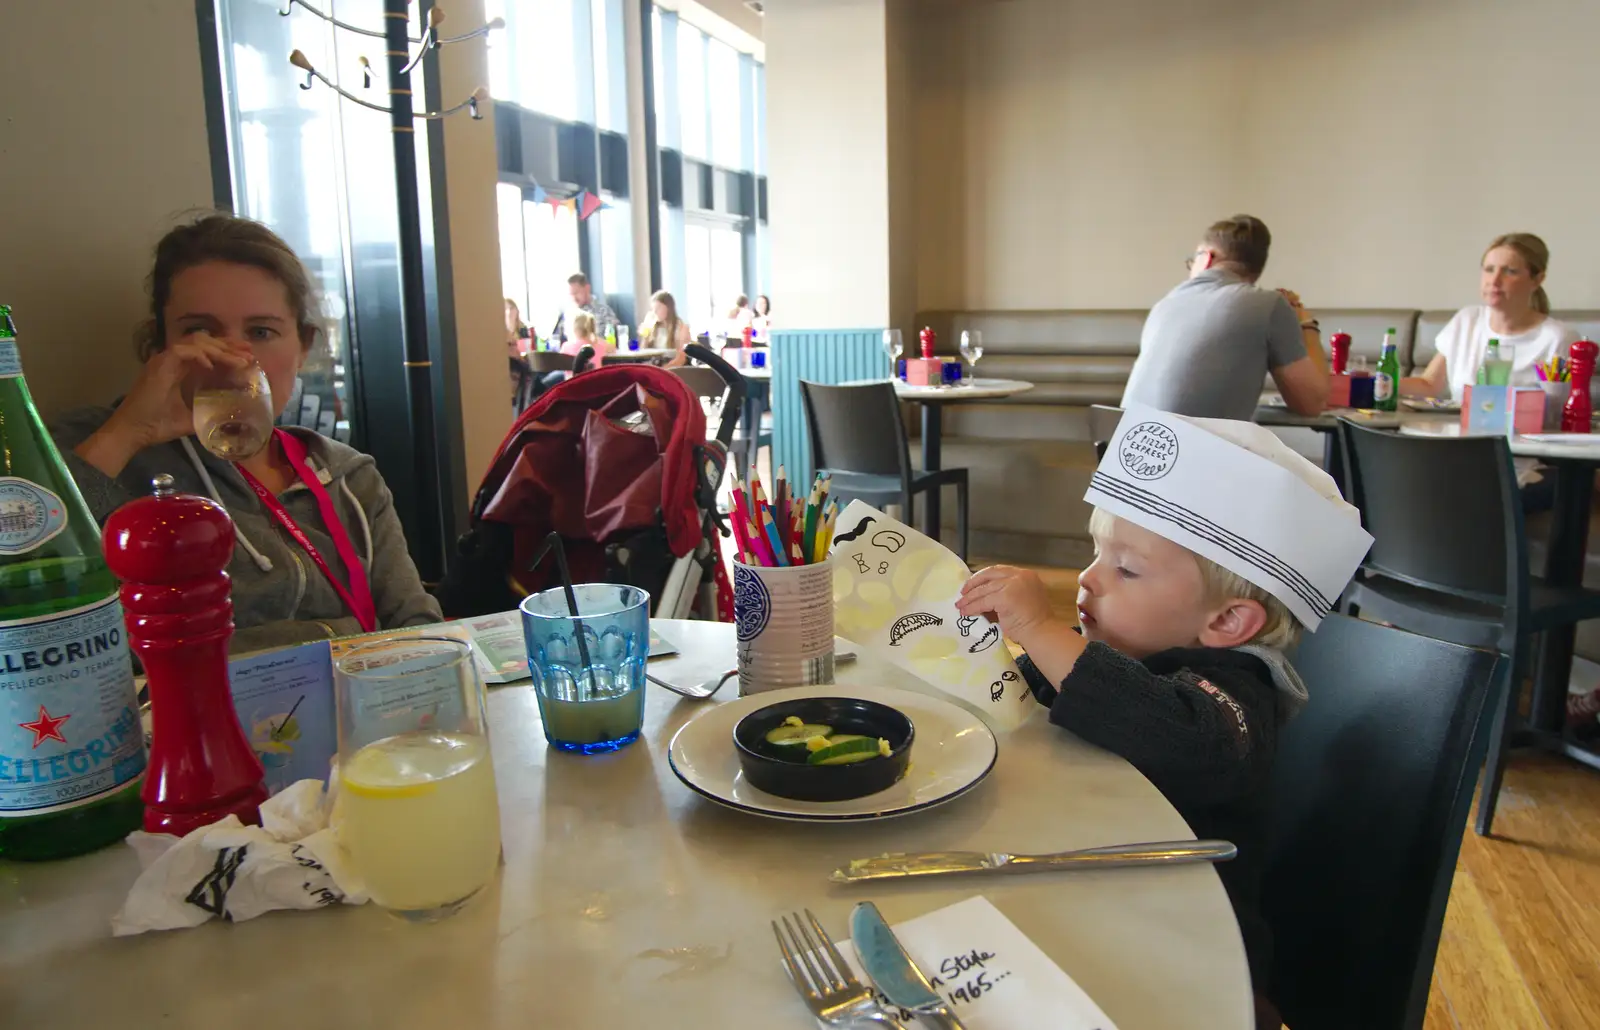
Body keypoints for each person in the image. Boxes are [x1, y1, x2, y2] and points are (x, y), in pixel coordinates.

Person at [957, 405, 1372, 1029]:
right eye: (1096, 553)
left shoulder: (1239, 696)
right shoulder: (1129, 651)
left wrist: (1042, 631)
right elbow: (1050, 707)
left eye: (1127, 569)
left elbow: (1180, 732)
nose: (1089, 581)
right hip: (1093, 905)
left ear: (1227, 623)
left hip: (1194, 964)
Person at [52, 213, 442, 654]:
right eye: (200, 331)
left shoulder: (348, 474)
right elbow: (28, 579)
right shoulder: (88, 449)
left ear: (304, 347)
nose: (233, 358)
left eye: (261, 332)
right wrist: (128, 432)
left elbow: (417, 630)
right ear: (160, 346)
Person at [1122, 215, 1328, 420]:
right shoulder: (1267, 304)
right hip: (1192, 450)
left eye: (1192, 260)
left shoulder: (1163, 306)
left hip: (1121, 446)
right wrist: (1306, 323)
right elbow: (1312, 404)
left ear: (1207, 257)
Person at [1403, 233, 1579, 400]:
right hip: (1457, 430)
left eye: (1510, 271)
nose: (1494, 280)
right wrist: (1378, 382)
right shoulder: (1466, 320)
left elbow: (1559, 411)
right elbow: (1428, 384)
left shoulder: (1558, 338)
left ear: (1537, 279)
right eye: (1489, 269)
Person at [552, 271, 618, 343]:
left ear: (587, 288)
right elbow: (555, 340)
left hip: (598, 351)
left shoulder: (604, 311)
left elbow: (617, 336)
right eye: (571, 294)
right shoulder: (566, 314)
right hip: (571, 352)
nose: (574, 298)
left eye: (576, 293)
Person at [641, 290, 694, 367]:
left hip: (674, 368)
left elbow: (682, 358)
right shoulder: (653, 327)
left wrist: (662, 370)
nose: (655, 312)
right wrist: (645, 334)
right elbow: (643, 352)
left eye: (658, 308)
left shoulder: (681, 328)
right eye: (653, 309)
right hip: (657, 365)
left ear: (668, 308)